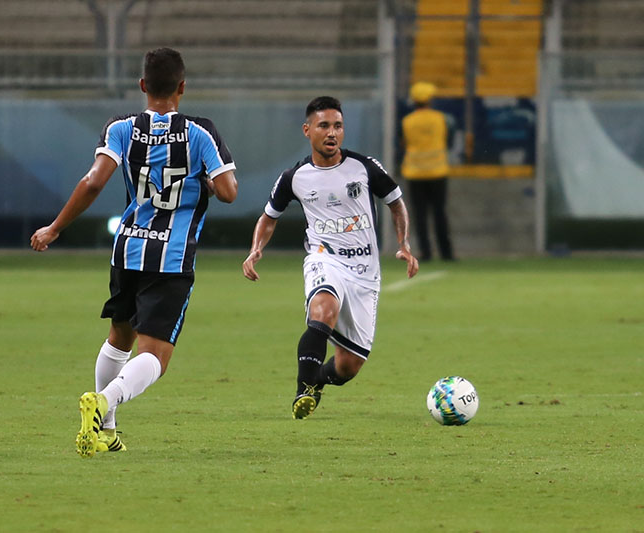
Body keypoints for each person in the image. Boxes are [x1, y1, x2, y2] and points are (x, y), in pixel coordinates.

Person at [30, 48, 238, 456]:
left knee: (119, 336)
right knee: (155, 354)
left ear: (143, 86)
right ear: (182, 87)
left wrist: (55, 228)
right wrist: (207, 181)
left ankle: (105, 432)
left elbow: (93, 182)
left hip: (127, 248)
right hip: (172, 255)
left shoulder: (120, 128)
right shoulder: (201, 132)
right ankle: (105, 401)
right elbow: (229, 192)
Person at [242, 96, 418, 420]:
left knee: (349, 366)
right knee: (323, 309)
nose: (332, 132)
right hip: (325, 259)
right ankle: (303, 388)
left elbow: (396, 202)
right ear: (307, 130)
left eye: (338, 125)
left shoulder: (364, 167)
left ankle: (318, 381)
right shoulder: (294, 177)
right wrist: (256, 249)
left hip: (365, 272)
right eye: (324, 125)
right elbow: (269, 217)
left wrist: (404, 243)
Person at [401, 81, 455, 261]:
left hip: (415, 172)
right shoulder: (440, 118)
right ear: (430, 100)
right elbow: (449, 140)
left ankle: (426, 252)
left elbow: (403, 143)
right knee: (439, 212)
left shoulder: (407, 121)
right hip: (437, 171)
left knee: (419, 215)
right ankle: (446, 252)